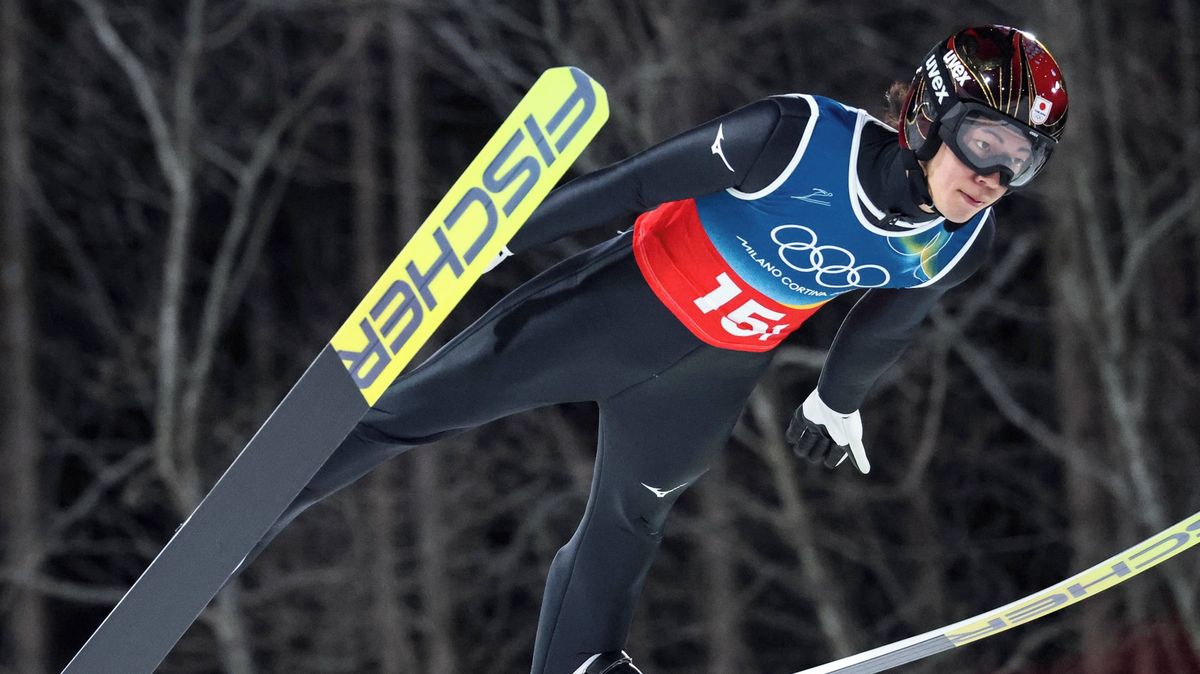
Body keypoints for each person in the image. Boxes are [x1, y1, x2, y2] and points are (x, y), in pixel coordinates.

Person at [238, 24, 1068, 674]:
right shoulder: (791, 138)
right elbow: (632, 184)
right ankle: (251, 514)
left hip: (710, 378)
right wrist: (504, 232)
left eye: (1020, 161)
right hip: (615, 310)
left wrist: (836, 400)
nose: (993, 177)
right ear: (926, 114)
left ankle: (580, 663)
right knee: (418, 411)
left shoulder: (959, 242)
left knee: (630, 522)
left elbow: (889, 320)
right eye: (985, 142)